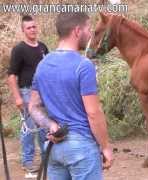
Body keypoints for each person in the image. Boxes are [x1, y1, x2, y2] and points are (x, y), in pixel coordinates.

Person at [28, 12, 113, 179]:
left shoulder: (42, 65)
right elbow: (93, 113)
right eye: (88, 29)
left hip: (55, 148)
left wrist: (51, 124)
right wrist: (105, 147)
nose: (90, 34)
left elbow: (32, 106)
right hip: (81, 146)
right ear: (77, 31)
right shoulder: (83, 65)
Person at [7, 15, 48, 173]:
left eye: (34, 27)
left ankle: (47, 159)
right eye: (29, 27)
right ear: (23, 30)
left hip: (43, 93)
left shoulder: (43, 47)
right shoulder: (19, 49)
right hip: (26, 92)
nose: (32, 30)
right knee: (29, 128)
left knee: (45, 126)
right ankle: (28, 161)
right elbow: (11, 76)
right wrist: (17, 97)